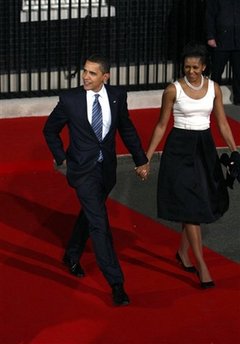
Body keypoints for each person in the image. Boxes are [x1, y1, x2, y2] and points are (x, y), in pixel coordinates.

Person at [43, 54, 149, 306]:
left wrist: (140, 159)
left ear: (105, 76)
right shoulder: (70, 100)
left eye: (92, 73)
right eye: (84, 71)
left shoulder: (117, 96)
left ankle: (71, 254)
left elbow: (126, 128)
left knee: (91, 214)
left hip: (107, 170)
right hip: (82, 171)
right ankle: (116, 283)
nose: (85, 76)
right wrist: (61, 158)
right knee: (100, 224)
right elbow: (49, 129)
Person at [137, 43, 239, 288]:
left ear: (204, 67)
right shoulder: (173, 90)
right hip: (179, 150)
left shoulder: (214, 88)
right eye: (187, 67)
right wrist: (146, 158)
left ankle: (183, 253)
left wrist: (235, 151)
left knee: (197, 203)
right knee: (191, 204)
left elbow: (223, 123)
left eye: (195, 67)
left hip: (204, 148)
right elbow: (161, 125)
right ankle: (202, 265)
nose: (191, 71)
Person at [206, 0, 240, 105]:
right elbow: (209, 16)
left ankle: (238, 99)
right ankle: (212, 99)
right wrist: (210, 36)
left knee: (239, 73)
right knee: (216, 72)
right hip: (221, 40)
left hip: (238, 41)